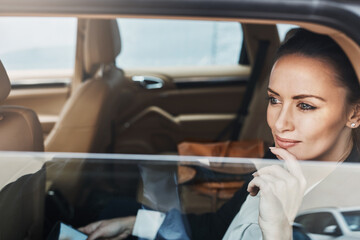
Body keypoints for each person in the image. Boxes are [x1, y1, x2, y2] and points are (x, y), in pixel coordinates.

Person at [79, 28, 360, 240]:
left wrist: (278, 229)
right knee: (109, 210)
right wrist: (134, 224)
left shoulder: (350, 214)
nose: (280, 123)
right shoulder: (279, 160)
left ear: (354, 114)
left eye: (305, 105)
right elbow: (219, 228)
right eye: (274, 100)